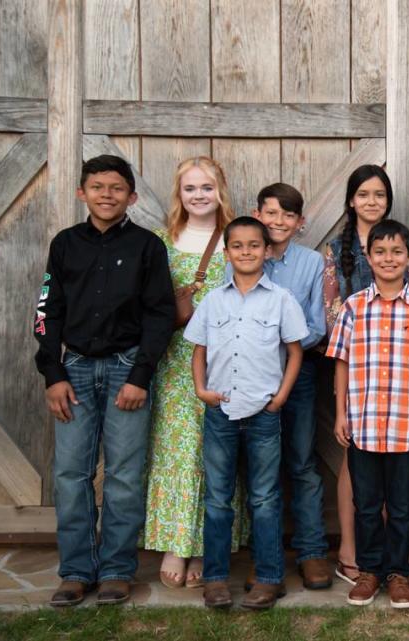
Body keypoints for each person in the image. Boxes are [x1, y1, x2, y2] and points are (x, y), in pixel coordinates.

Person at [35, 154, 175, 607]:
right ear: (82, 193)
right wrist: (52, 373)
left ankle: (116, 568)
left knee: (123, 476)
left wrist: (140, 376)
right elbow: (46, 313)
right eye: (97, 187)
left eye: (117, 188)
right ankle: (76, 570)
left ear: (131, 196)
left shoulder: (147, 247)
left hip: (125, 371)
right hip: (73, 370)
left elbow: (159, 316)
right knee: (71, 474)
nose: (107, 195)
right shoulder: (65, 244)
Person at [327, 219, 409, 609]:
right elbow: (342, 363)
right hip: (362, 425)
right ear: (368, 256)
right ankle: (370, 571)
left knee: (399, 507)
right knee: (366, 504)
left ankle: (397, 572)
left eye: (397, 251)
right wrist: (341, 414)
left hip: (405, 426)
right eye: (380, 251)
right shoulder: (353, 307)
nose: (388, 258)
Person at [185, 216, 308, 610]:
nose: (246, 252)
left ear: (266, 251)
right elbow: (199, 348)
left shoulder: (280, 299)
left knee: (265, 498)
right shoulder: (212, 299)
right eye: (237, 246)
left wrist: (280, 397)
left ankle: (269, 578)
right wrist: (201, 389)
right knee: (218, 498)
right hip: (220, 411)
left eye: (254, 245)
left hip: (264, 413)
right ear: (227, 253)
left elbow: (295, 351)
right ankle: (216, 579)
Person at [143, 156, 245, 590]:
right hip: (174, 363)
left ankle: (206, 544)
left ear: (219, 190)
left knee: (216, 455)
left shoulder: (237, 239)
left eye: (207, 187)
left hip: (226, 363)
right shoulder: (160, 242)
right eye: (190, 188)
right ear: (179, 194)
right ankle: (174, 543)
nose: (199, 195)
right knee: (176, 450)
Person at [321, 164, 409, 585]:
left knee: (389, 468)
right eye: (363, 194)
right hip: (355, 368)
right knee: (353, 463)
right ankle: (351, 547)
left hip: (396, 373)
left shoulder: (400, 245)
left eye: (380, 194)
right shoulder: (335, 250)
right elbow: (330, 310)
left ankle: (383, 559)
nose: (372, 201)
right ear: (351, 200)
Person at [249, 183, 331, 589]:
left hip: (298, 375)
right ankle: (264, 552)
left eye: (287, 215)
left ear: (300, 223)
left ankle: (312, 550)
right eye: (271, 213)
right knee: (259, 467)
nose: (278, 222)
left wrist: (285, 346)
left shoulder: (311, 263)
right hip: (250, 378)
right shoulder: (244, 257)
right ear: (257, 214)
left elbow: (318, 324)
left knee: (301, 462)